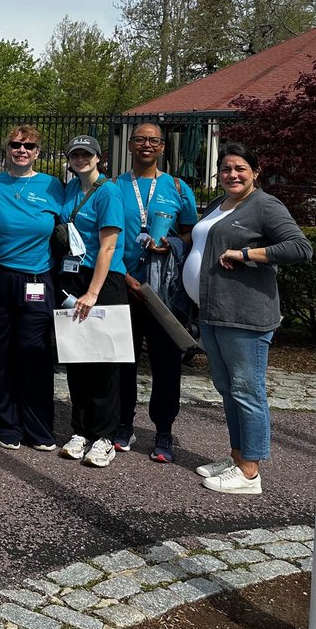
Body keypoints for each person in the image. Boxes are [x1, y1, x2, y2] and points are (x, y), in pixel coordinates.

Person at [184, 143, 311, 494]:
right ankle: (237, 456)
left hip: (244, 316)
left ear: (255, 172)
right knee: (227, 390)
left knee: (246, 390)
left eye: (240, 168)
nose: (232, 175)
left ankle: (250, 472)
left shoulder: (265, 205)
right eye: (225, 169)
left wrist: (245, 253)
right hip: (213, 313)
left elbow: (300, 247)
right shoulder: (219, 204)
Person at [0, 126, 65, 451]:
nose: (21, 150)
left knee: (33, 352)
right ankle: (4, 424)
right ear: (8, 149)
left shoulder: (52, 186)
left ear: (38, 151)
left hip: (37, 278)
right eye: (15, 144)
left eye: (29, 145)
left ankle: (38, 427)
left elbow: (75, 223)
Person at [114, 123, 197, 462]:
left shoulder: (177, 187)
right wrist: (125, 277)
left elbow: (192, 234)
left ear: (162, 147)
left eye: (153, 140)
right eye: (140, 139)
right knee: (123, 361)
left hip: (163, 291)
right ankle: (123, 424)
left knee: (166, 364)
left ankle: (164, 431)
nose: (146, 145)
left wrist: (173, 244)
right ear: (130, 145)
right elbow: (103, 236)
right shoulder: (114, 186)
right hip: (124, 285)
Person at [56, 135, 128, 469]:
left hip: (103, 281)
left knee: (103, 361)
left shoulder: (109, 192)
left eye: (87, 154)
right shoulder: (70, 188)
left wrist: (93, 292)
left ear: (99, 158)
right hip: (74, 277)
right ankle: (80, 430)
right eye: (75, 154)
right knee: (77, 359)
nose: (81, 159)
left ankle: (104, 436)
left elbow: (108, 246)